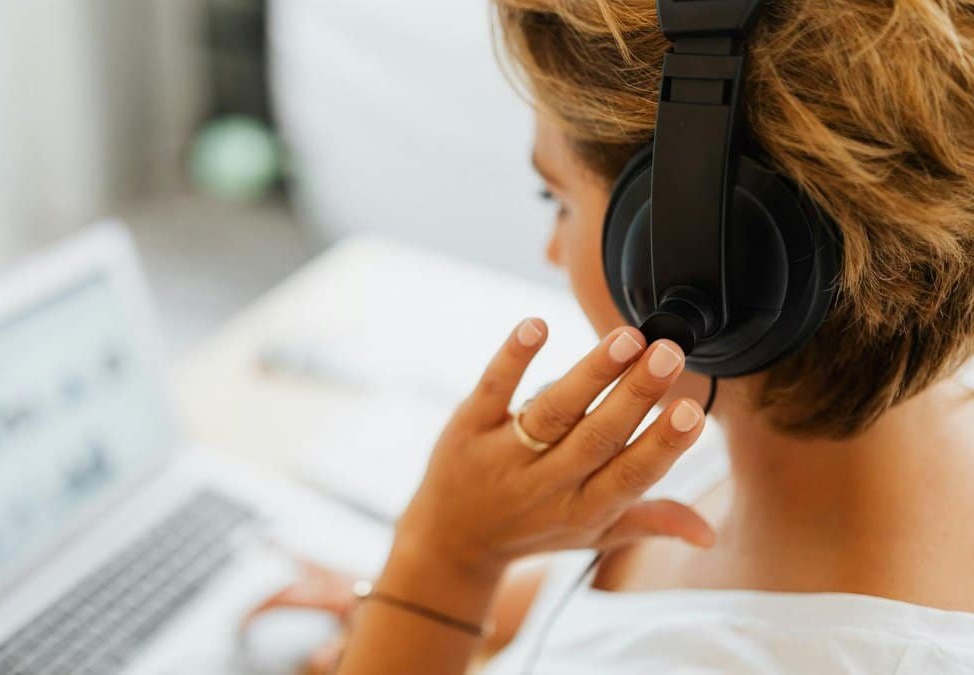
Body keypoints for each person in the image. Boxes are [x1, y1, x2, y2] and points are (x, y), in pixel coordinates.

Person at [246, 0, 974, 672]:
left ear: (703, 256)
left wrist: (441, 562)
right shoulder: (796, 425)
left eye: (555, 199)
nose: (552, 250)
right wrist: (421, 603)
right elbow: (638, 596)